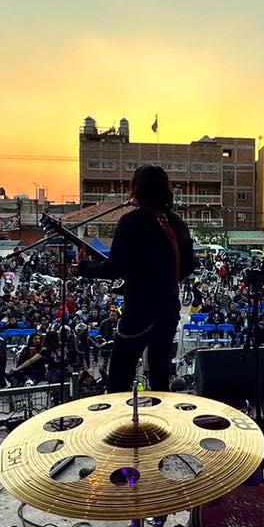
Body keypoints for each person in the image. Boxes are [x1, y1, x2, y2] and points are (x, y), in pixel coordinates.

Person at [79, 164, 196, 392]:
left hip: (139, 312)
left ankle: (121, 425)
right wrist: (163, 280)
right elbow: (189, 264)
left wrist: (84, 267)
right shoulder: (176, 223)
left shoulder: (131, 222)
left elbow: (114, 268)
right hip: (168, 310)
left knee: (120, 376)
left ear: (137, 190)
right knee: (160, 372)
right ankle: (161, 424)